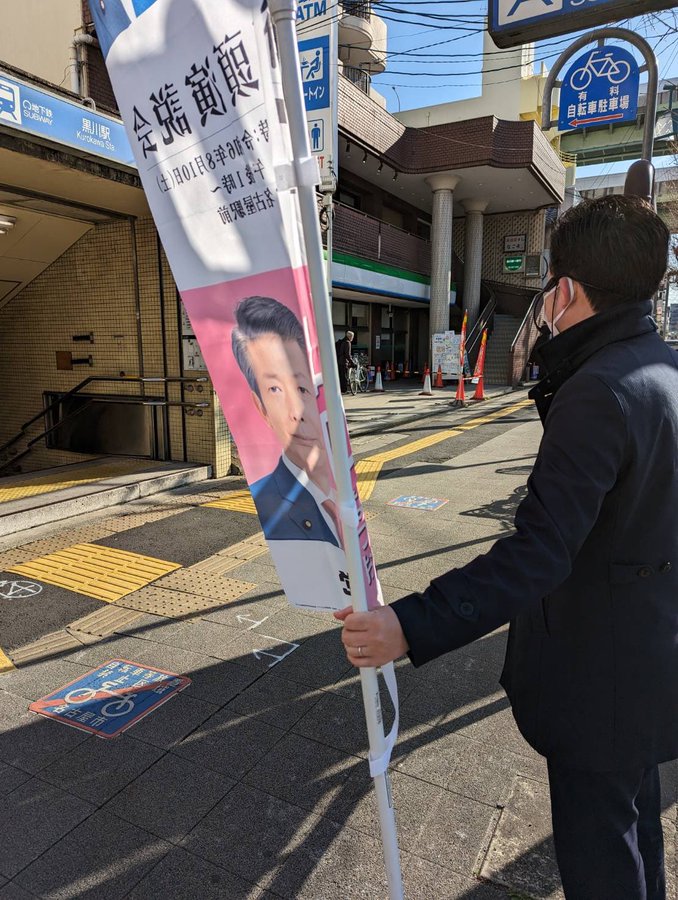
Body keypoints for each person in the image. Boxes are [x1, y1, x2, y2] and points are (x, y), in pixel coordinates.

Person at [335, 195, 678, 900]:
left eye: (551, 286)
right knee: (636, 822)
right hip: (651, 656)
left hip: (600, 676)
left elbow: (538, 554)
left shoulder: (599, 392)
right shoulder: (663, 369)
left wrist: (410, 624)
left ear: (569, 291)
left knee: (600, 853)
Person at [232, 295, 340, 547]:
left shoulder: (343, 473)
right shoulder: (269, 500)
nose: (297, 412)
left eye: (302, 388)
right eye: (275, 390)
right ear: (261, 409)